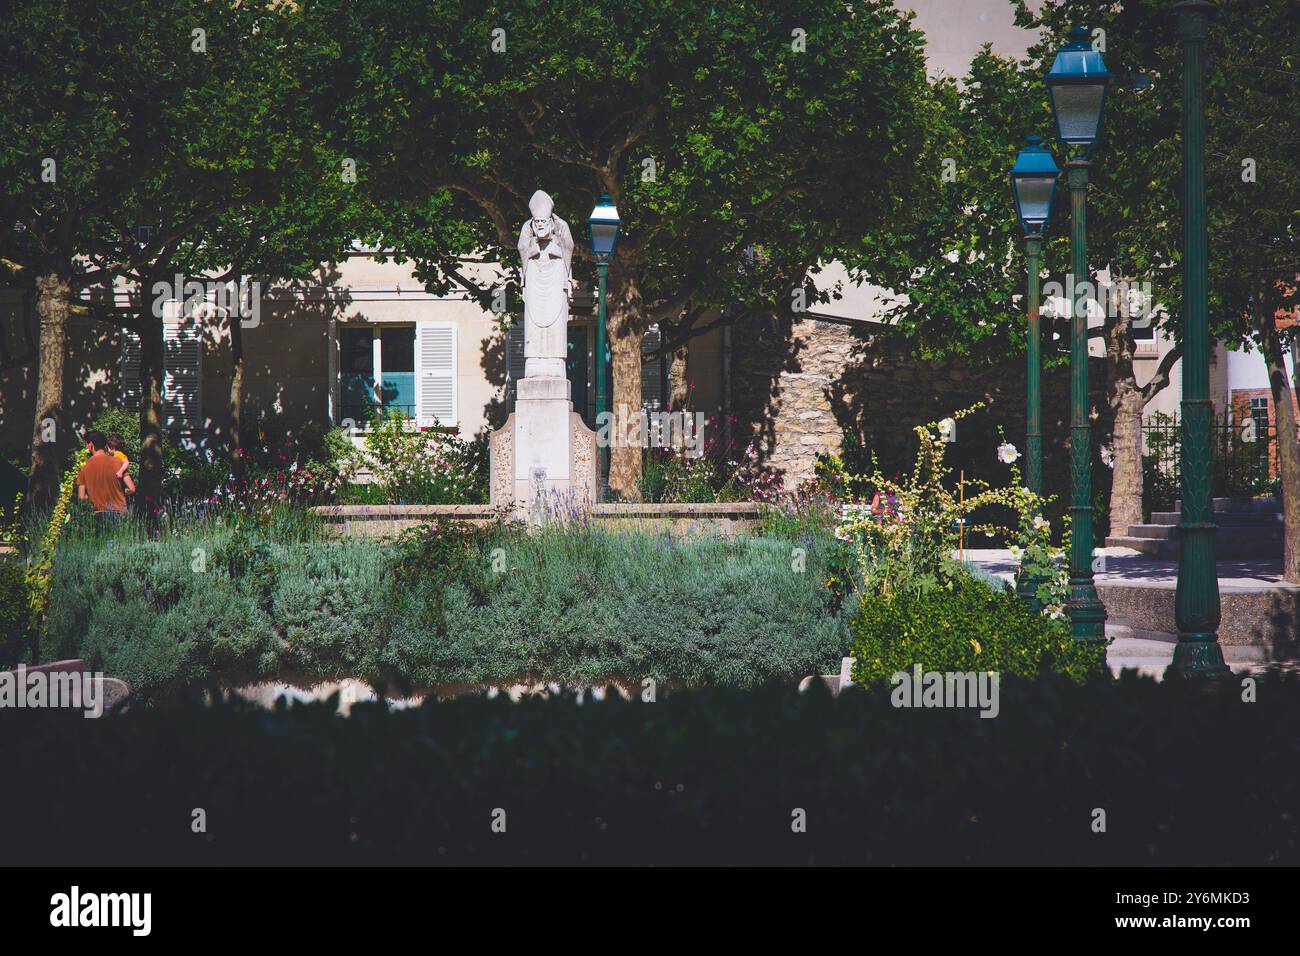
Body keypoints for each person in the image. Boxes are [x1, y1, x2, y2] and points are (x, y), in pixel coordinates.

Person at [76, 430, 135, 521]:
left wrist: (92, 496)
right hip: (120, 513)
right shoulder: (118, 462)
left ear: (91, 444)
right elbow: (132, 488)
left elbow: (81, 497)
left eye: (87, 444)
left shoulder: (84, 467)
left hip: (99, 516)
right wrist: (121, 492)